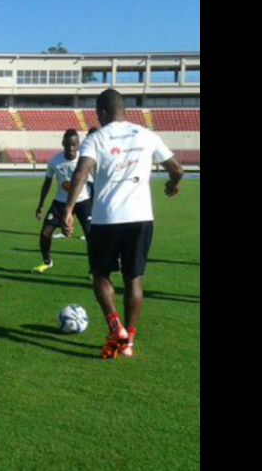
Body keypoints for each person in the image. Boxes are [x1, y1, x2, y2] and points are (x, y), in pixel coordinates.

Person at [63, 89, 184, 359]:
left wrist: (69, 208)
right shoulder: (147, 135)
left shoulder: (97, 138)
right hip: (141, 218)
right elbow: (177, 169)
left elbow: (82, 171)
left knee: (100, 275)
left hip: (107, 219)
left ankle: (114, 326)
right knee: (134, 280)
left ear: (101, 113)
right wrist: (173, 184)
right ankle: (129, 340)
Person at [32, 129, 92, 274]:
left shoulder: (85, 160)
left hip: (83, 201)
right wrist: (41, 204)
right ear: (63, 144)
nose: (70, 148)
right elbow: (47, 183)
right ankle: (47, 262)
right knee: (45, 233)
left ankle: (94, 269)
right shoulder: (55, 162)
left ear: (78, 145)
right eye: (67, 145)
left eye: (74, 145)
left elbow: (93, 183)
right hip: (60, 202)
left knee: (91, 236)